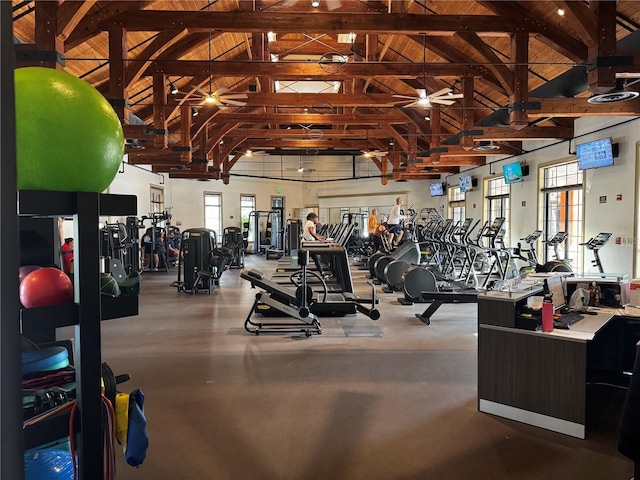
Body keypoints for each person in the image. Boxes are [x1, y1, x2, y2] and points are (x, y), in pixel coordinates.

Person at [301, 212, 329, 278]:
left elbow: (311, 233)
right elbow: (311, 231)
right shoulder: (310, 223)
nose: (317, 220)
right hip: (309, 244)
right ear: (312, 218)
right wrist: (318, 238)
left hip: (308, 244)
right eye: (316, 218)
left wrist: (318, 238)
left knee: (315, 259)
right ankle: (301, 274)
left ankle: (322, 274)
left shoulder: (308, 222)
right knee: (312, 259)